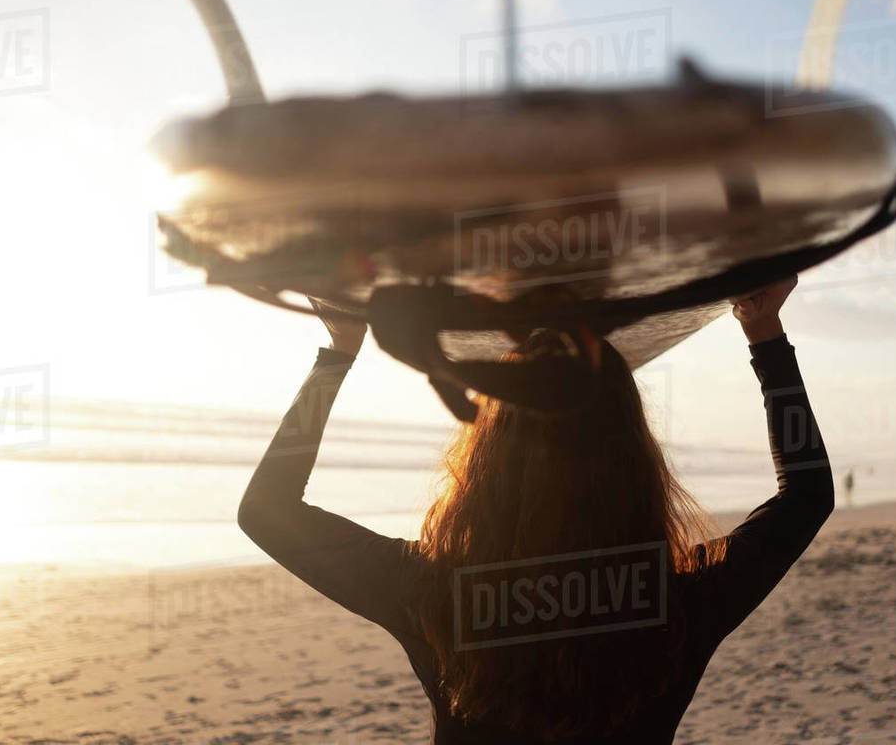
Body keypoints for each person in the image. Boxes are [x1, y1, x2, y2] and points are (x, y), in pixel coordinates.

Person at [237, 276, 833, 743]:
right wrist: (764, 331)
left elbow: (267, 509)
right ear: (631, 451)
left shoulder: (435, 592)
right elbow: (808, 495)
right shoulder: (680, 599)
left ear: (489, 456)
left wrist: (339, 350)